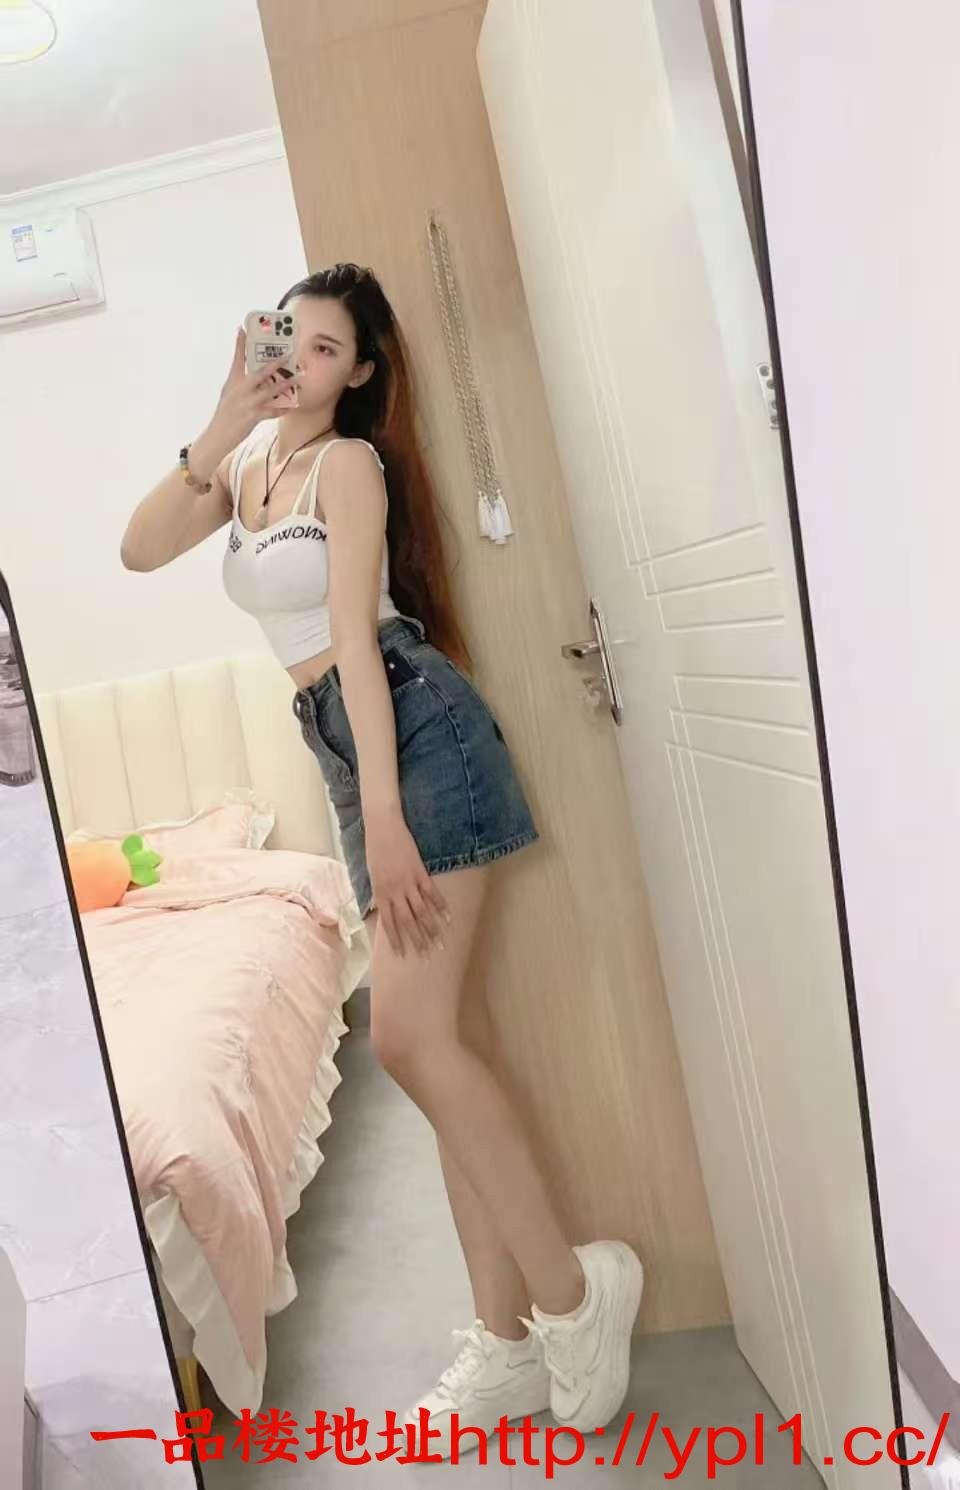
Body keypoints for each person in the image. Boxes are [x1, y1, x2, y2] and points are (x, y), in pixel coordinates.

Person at [120, 262, 644, 1456]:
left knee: (408, 1038)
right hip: (352, 747)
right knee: (440, 1045)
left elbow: (357, 644)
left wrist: (387, 813)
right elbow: (139, 549)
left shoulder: (350, 464)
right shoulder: (249, 467)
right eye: (286, 339)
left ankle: (574, 1294)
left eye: (324, 347)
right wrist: (223, 418)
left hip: (411, 730)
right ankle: (506, 1340)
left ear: (358, 370)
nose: (299, 361)